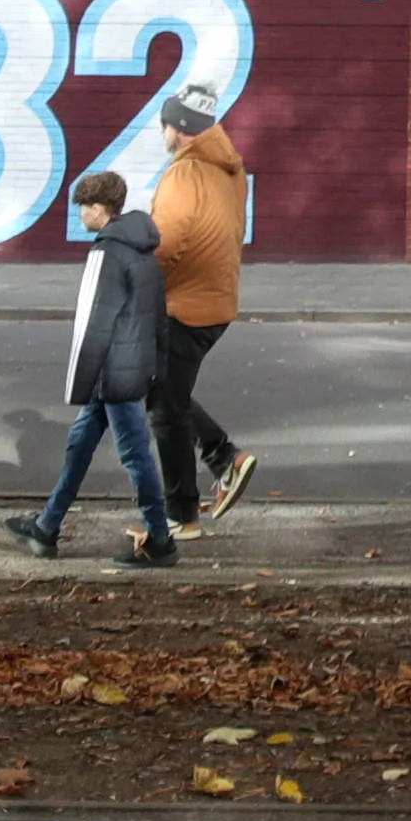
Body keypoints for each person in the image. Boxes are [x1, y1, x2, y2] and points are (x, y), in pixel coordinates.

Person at [16, 170, 181, 567]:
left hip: (112, 375)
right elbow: (158, 315)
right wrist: (156, 368)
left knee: (135, 454)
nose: (81, 216)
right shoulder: (141, 249)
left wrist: (79, 383)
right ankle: (47, 526)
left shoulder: (105, 253)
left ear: (98, 208)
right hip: (132, 366)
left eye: (83, 208)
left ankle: (160, 540)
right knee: (80, 446)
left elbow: (93, 323)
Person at [146, 80, 256, 526]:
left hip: (183, 305)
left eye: (165, 125)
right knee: (162, 391)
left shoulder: (184, 172)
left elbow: (166, 242)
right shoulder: (229, 170)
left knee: (164, 410)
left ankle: (182, 514)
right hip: (217, 301)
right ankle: (221, 457)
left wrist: (135, 284)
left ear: (180, 128)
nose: (162, 135)